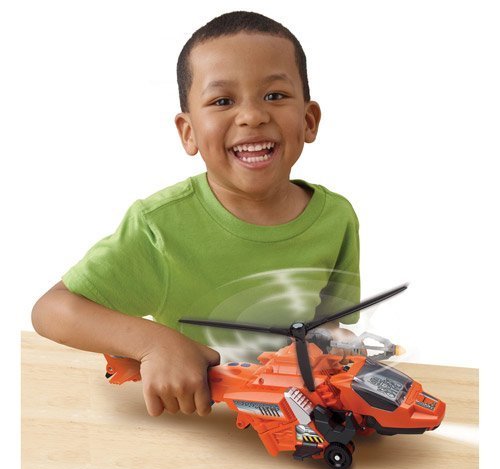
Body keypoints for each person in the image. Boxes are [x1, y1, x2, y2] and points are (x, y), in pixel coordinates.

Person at [31, 11, 362, 419]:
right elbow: (51, 310)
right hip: (197, 421)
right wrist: (156, 345)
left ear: (309, 121)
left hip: (298, 411)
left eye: (275, 96)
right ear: (188, 132)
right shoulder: (159, 226)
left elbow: (331, 326)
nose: (252, 116)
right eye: (222, 101)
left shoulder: (337, 218)